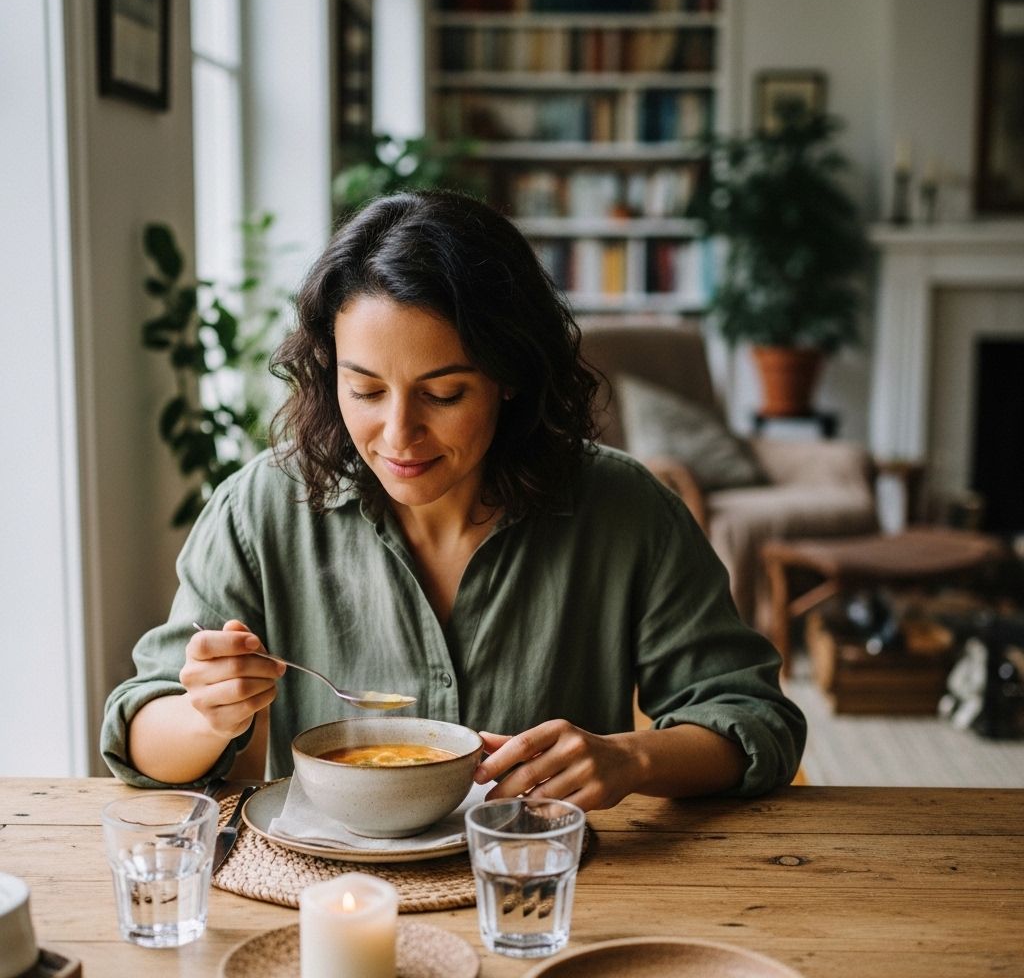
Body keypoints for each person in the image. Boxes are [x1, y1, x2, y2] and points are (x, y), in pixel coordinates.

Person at [102, 190, 805, 809]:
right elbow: (140, 735)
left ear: (510, 375)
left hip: (542, 891)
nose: (399, 434)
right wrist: (207, 716)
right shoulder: (259, 509)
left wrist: (630, 758)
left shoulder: (624, 509)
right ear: (328, 372)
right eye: (366, 389)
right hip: (342, 898)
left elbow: (755, 720)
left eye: (443, 393)